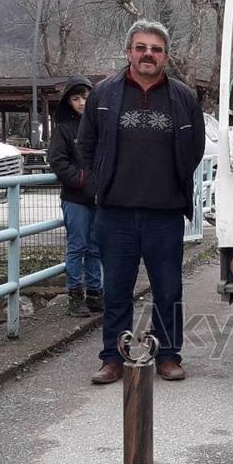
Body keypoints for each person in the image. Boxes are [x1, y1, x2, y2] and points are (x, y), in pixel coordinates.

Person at [78, 20, 204, 383]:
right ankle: (113, 358)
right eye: (141, 47)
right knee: (116, 289)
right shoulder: (103, 95)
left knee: (168, 288)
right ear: (128, 51)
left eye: (156, 49)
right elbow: (86, 146)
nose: (148, 54)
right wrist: (97, 187)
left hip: (164, 213)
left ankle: (168, 355)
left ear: (165, 55)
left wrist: (173, 184)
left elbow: (194, 148)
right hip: (115, 212)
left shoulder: (183, 97)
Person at [48, 76, 103, 317]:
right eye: (76, 98)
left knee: (95, 247)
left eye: (86, 97)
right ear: (68, 102)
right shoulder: (64, 128)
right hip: (75, 198)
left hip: (99, 197)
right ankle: (74, 296)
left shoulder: (101, 125)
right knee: (77, 246)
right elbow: (56, 160)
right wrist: (79, 179)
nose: (82, 102)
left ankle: (95, 293)